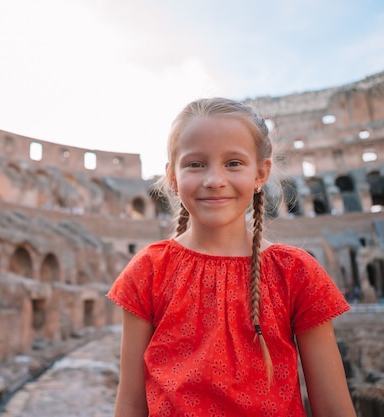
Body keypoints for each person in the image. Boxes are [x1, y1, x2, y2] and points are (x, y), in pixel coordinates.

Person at [107, 98, 356, 417]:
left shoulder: (296, 272)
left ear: (260, 173)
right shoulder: (148, 270)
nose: (214, 180)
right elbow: (130, 403)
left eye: (233, 163)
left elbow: (334, 407)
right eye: (195, 164)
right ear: (172, 176)